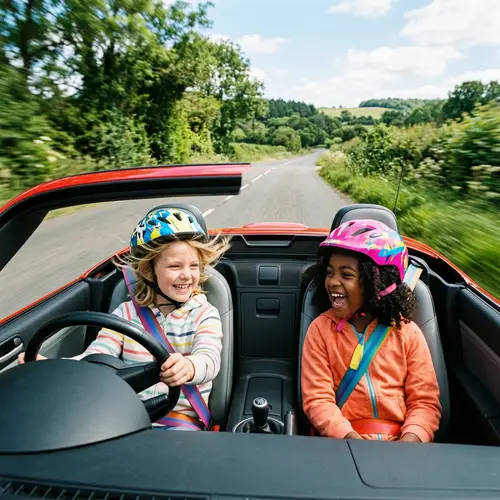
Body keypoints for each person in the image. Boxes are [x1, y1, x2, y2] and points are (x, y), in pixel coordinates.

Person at [19, 207, 231, 431]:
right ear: (149, 271)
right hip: (125, 414)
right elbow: (97, 358)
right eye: (174, 266)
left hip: (180, 420)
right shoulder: (126, 314)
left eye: (194, 266)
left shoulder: (204, 314)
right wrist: (54, 367)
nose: (187, 275)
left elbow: (209, 359)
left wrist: (189, 366)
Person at [301, 219, 442, 442]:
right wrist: (350, 439)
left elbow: (424, 402)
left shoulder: (407, 333)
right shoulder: (320, 331)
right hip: (344, 443)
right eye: (329, 273)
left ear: (377, 284)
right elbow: (318, 400)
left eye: (346, 275)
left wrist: (411, 441)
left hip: (404, 444)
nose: (333, 282)